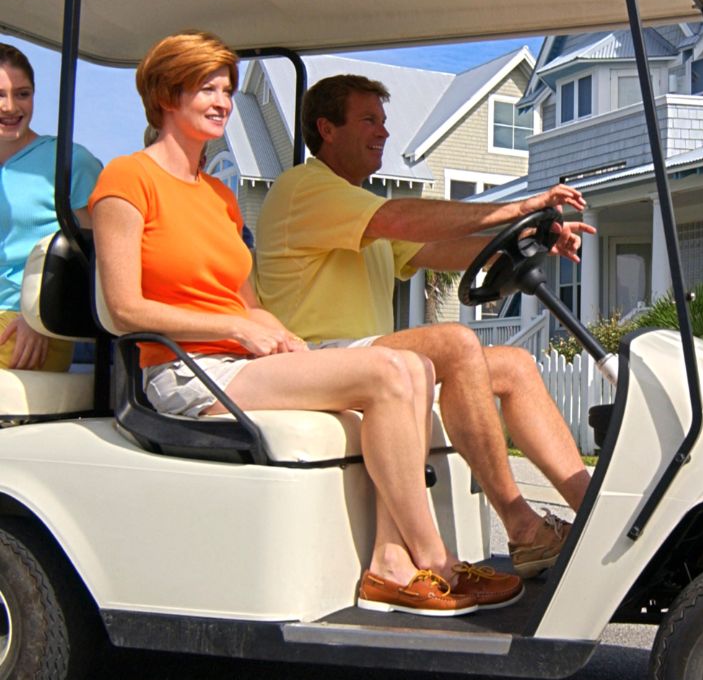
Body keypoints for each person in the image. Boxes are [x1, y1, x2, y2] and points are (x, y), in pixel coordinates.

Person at [90, 31, 521, 617]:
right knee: (392, 370)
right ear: (167, 94)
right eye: (205, 88)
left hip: (237, 365)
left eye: (225, 89)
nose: (221, 101)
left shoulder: (218, 195)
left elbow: (245, 299)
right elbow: (123, 309)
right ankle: (435, 562)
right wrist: (241, 330)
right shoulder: (127, 179)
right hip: (179, 369)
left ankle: (390, 564)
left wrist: (273, 332)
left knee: (414, 364)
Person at [256, 73, 596, 578]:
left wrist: (530, 238)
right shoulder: (305, 189)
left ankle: (594, 513)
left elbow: (434, 251)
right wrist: (518, 206)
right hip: (316, 359)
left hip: (369, 357)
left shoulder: (354, 205)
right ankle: (522, 525)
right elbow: (401, 221)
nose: (384, 132)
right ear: (327, 128)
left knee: (516, 365)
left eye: (384, 121)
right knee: (456, 343)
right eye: (369, 119)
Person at [0, 42, 102, 371]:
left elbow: (96, 256)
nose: (10, 106)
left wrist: (38, 315)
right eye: (0, 95)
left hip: (29, 323)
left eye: (22, 94)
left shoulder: (71, 162)